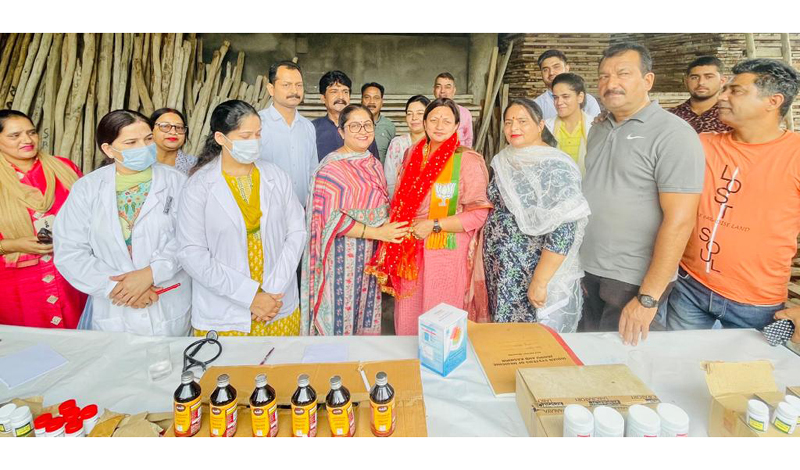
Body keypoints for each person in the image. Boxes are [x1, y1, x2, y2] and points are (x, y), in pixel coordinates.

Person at [578, 43, 705, 345]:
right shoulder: (599, 128)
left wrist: (648, 297)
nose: (611, 84)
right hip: (589, 270)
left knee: (626, 373)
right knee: (589, 362)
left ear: (647, 81)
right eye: (604, 76)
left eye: (623, 73)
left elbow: (681, 220)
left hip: (632, 280)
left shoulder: (673, 134)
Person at [666, 59, 800, 331]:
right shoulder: (703, 144)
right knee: (679, 367)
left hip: (756, 302)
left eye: (735, 91)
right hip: (690, 286)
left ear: (773, 101)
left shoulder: (795, 154)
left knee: (747, 374)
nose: (722, 96)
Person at [53, 110, 190, 335]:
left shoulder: (177, 182)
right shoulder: (87, 188)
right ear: (108, 149)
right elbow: (70, 250)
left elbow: (189, 237)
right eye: (131, 142)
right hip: (116, 307)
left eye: (147, 139)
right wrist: (119, 288)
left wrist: (151, 273)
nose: (143, 147)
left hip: (166, 297)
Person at [177, 100, 306, 336]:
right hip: (226, 310)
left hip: (277, 304)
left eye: (258, 134)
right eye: (245, 136)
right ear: (220, 138)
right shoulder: (199, 186)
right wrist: (250, 296)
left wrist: (273, 290)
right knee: (228, 371)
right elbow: (191, 252)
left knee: (282, 368)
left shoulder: (276, 176)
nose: (254, 142)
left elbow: (296, 232)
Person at [367, 98, 492, 334]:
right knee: (408, 312)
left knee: (440, 314)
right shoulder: (412, 153)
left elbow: (478, 215)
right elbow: (401, 200)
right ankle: (408, 363)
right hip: (411, 247)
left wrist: (434, 225)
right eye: (433, 119)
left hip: (445, 248)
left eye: (447, 120)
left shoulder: (466, 159)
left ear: (457, 126)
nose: (439, 125)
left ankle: (438, 364)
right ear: (424, 123)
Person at [301, 104, 409, 336]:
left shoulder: (372, 163)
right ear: (341, 132)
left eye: (367, 125)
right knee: (341, 317)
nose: (363, 131)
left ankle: (361, 363)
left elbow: (381, 206)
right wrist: (379, 233)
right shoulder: (330, 169)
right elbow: (332, 220)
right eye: (354, 126)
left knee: (364, 312)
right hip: (341, 258)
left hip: (369, 258)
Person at [484, 99, 590, 332]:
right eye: (508, 122)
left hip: (531, 271)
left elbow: (564, 230)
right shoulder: (505, 159)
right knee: (503, 337)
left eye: (522, 121)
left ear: (540, 125)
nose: (514, 128)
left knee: (533, 342)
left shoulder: (555, 165)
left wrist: (540, 281)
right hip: (501, 270)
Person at [0, 110, 85, 329]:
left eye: (31, 132)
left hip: (69, 275)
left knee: (81, 344)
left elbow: (91, 216)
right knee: (26, 350)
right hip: (16, 287)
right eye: (14, 135)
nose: (27, 140)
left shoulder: (64, 168)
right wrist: (12, 244)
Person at [258, 60, 318, 206]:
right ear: (271, 89)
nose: (294, 91)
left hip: (302, 210)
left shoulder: (308, 127)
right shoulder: (257, 124)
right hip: (267, 210)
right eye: (286, 85)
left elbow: (313, 172)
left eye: (299, 85)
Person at [312, 70, 378, 161]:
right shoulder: (312, 129)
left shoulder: (363, 129)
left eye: (345, 92)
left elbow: (374, 162)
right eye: (334, 92)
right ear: (323, 98)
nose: (341, 97)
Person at [544, 73, 594, 175]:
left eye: (565, 96)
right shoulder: (546, 128)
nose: (559, 102)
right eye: (555, 97)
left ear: (580, 97)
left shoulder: (595, 126)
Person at [669, 56, 732, 133]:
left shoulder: (733, 115)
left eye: (708, 77)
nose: (701, 82)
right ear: (686, 81)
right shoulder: (671, 116)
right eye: (695, 77)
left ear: (722, 81)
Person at [534, 50, 602, 120]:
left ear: (567, 68)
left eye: (556, 67)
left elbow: (596, 128)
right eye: (545, 70)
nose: (551, 72)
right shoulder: (536, 105)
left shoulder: (588, 101)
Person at [384, 94, 430, 198]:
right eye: (410, 114)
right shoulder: (398, 143)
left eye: (420, 113)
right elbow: (390, 179)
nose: (414, 118)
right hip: (401, 203)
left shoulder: (435, 144)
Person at [150, 107, 197, 174]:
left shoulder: (196, 166)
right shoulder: (137, 162)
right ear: (151, 131)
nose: (173, 132)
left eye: (179, 127)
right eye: (165, 126)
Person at [433, 72, 473, 147]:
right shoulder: (428, 112)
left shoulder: (464, 113)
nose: (442, 91)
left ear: (454, 90)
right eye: (438, 86)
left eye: (447, 87)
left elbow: (468, 139)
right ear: (434, 90)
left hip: (458, 154)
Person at [361, 82, 396, 163]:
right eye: (367, 97)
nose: (371, 102)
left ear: (382, 101)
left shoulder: (389, 126)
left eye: (376, 98)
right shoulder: (352, 123)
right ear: (361, 100)